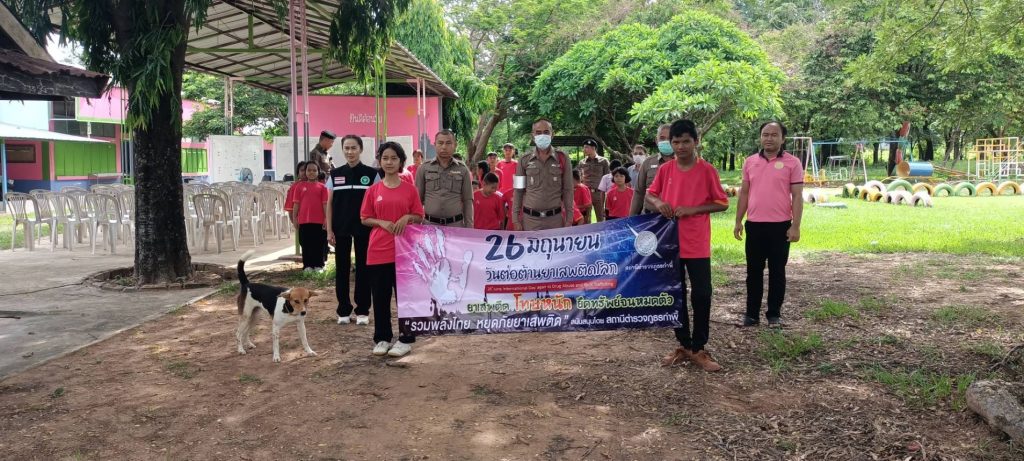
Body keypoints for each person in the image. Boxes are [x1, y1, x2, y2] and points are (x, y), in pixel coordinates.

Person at [646, 119, 729, 372]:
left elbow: (722, 203)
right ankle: (683, 344)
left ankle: (699, 347)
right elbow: (650, 194)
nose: (681, 146)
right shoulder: (665, 170)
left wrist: (694, 209)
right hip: (670, 243)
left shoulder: (707, 170)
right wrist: (659, 203)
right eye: (676, 142)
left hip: (697, 243)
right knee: (676, 293)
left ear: (696, 142)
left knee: (702, 294)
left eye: (686, 141)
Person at [734, 121, 804, 328]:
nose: (769, 138)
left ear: (783, 138)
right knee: (753, 272)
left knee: (777, 272)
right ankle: (751, 314)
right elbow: (744, 193)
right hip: (754, 225)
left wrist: (796, 225)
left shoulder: (792, 163)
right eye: (765, 134)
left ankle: (774, 315)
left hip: (780, 226)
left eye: (774, 135)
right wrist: (738, 220)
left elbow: (797, 196)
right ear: (760, 137)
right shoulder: (750, 162)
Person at [360, 142, 424, 357]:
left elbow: (419, 215)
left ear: (401, 162)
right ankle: (382, 338)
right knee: (380, 297)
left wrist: (407, 217)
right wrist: (381, 222)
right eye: (385, 158)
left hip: (405, 251)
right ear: (380, 161)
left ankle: (406, 338)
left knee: (405, 298)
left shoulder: (410, 189)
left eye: (394, 158)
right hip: (378, 251)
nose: (389, 162)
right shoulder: (373, 190)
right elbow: (364, 218)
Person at [326, 135, 377, 325]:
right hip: (341, 229)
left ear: (360, 149)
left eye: (353, 148)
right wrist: (329, 230)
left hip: (365, 229)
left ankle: (363, 310)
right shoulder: (335, 174)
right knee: (342, 269)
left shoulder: (372, 174)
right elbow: (329, 204)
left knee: (364, 269)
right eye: (346, 148)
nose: (350, 152)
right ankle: (343, 310)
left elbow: (377, 202)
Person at [512, 118, 574, 230]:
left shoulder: (562, 158)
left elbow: (568, 190)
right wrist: (515, 219)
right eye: (538, 132)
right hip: (530, 221)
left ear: (552, 134)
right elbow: (518, 190)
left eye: (546, 132)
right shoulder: (523, 159)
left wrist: (569, 219)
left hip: (555, 220)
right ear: (533, 135)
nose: (542, 135)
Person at [415, 130, 474, 228]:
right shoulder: (424, 168)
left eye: (448, 143)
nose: (444, 147)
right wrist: (416, 226)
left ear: (455, 145)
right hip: (430, 225)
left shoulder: (463, 169)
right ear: (435, 145)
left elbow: (468, 200)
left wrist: (469, 227)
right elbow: (417, 200)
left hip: (455, 225)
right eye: (440, 143)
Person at [292, 162, 329, 272]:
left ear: (318, 172)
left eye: (314, 170)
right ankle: (307, 265)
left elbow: (325, 204)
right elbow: (296, 204)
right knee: (306, 243)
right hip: (304, 221)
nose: (311, 172)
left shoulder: (323, 187)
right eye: (309, 170)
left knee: (319, 243)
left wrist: (326, 219)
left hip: (319, 221)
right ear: (305, 172)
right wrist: (294, 218)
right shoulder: (299, 187)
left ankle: (319, 265)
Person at [631, 124, 673, 215]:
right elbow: (638, 193)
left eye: (669, 138)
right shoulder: (648, 163)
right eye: (662, 138)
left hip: (676, 217)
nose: (666, 141)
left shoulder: (684, 163)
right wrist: (631, 218)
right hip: (650, 217)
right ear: (656, 141)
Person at [577, 138, 610, 223]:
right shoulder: (582, 162)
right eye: (584, 147)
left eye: (586, 147)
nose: (584, 149)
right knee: (586, 219)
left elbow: (608, 178)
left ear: (593, 148)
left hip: (599, 194)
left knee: (600, 218)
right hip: (586, 194)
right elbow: (579, 179)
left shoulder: (604, 161)